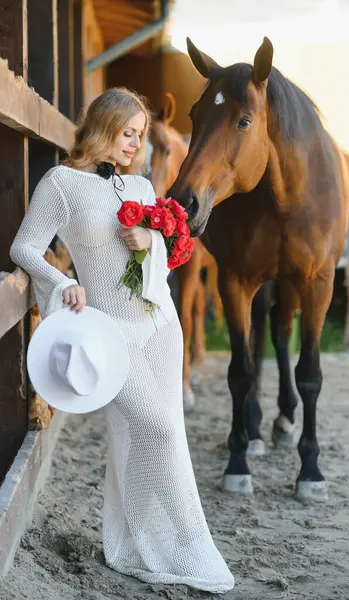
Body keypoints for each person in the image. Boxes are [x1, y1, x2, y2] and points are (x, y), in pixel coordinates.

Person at [9, 87, 234, 594]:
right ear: (103, 127)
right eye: (128, 133)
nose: (135, 143)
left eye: (139, 134)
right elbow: (24, 246)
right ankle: (189, 544)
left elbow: (171, 253)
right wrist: (63, 282)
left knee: (160, 431)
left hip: (160, 327)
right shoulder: (62, 183)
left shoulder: (138, 187)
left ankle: (138, 541)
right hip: (109, 337)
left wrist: (151, 239)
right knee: (156, 431)